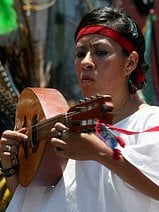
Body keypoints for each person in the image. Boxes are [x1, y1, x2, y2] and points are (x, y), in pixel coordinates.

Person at [0, 6, 159, 212]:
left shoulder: (151, 123)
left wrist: (101, 153)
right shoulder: (66, 127)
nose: (86, 62)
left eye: (101, 52)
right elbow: (34, 203)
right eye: (80, 53)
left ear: (130, 62)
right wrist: (11, 168)